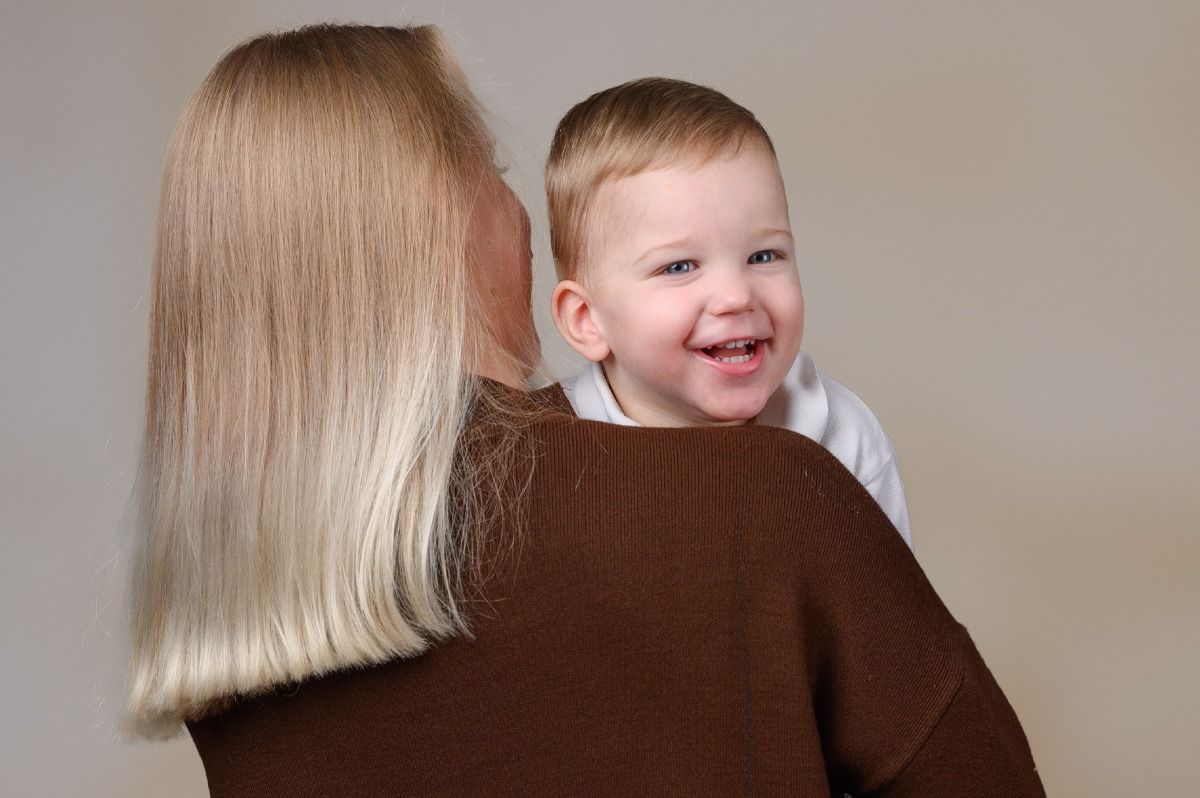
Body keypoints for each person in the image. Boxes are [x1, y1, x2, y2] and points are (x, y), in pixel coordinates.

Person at [127, 23, 1045, 797]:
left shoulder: (234, 633)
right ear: (430, 229)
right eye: (490, 169)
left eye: (763, 256)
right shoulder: (767, 498)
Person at [548, 78, 912, 546]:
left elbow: (893, 612)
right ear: (587, 319)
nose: (736, 296)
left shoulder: (839, 435)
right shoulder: (546, 456)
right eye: (679, 266)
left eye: (763, 256)